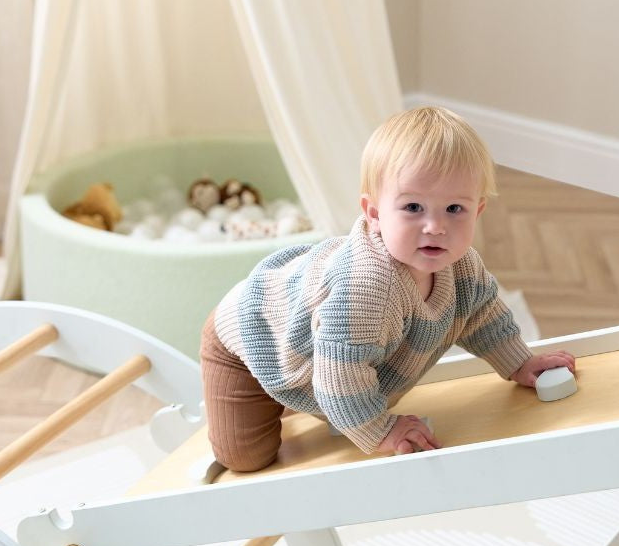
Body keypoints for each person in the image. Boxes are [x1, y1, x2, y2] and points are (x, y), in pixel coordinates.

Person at [201, 106, 575, 472]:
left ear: (476, 211)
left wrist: (520, 363)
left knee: (343, 376)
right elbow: (340, 379)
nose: (435, 227)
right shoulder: (366, 289)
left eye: (454, 209)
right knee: (247, 459)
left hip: (315, 344)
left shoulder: (461, 265)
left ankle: (305, 395)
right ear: (374, 213)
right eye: (413, 207)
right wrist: (382, 431)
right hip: (251, 338)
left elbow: (482, 317)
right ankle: (268, 397)